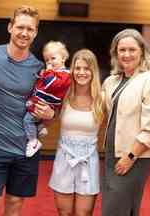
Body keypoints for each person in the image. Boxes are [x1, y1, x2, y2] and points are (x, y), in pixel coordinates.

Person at [0, 6, 55, 216]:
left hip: (26, 151)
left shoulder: (39, 68)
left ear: (35, 32)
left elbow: (49, 109)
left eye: (30, 29)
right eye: (20, 27)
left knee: (15, 206)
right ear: (10, 27)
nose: (24, 33)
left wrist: (50, 116)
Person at [101, 28, 150, 216]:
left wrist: (130, 157)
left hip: (135, 156)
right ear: (115, 53)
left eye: (132, 49)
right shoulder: (111, 81)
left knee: (114, 209)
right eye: (121, 50)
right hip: (111, 154)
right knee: (123, 207)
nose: (126, 54)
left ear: (142, 51)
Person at [49, 49, 104, 216]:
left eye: (86, 69)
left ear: (93, 71)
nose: (81, 72)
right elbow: (48, 118)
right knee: (63, 212)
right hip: (64, 159)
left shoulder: (102, 98)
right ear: (72, 70)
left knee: (84, 213)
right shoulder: (63, 95)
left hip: (88, 161)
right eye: (77, 68)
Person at [24, 41, 71, 157]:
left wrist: (48, 72)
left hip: (46, 103)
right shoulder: (55, 72)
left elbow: (51, 84)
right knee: (30, 112)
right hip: (41, 101)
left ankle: (33, 141)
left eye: (53, 58)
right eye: (47, 60)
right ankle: (40, 127)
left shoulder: (65, 74)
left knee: (27, 120)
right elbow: (42, 84)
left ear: (63, 58)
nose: (49, 62)